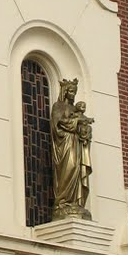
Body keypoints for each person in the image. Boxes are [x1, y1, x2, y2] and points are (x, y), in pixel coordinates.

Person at [50, 78, 93, 219]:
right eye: (70, 91)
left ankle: (75, 201)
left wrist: (84, 129)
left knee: (76, 168)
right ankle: (62, 202)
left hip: (75, 142)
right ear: (64, 91)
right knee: (69, 167)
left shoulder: (75, 109)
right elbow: (58, 123)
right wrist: (77, 121)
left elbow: (81, 125)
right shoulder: (58, 106)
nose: (72, 94)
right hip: (64, 143)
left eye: (74, 92)